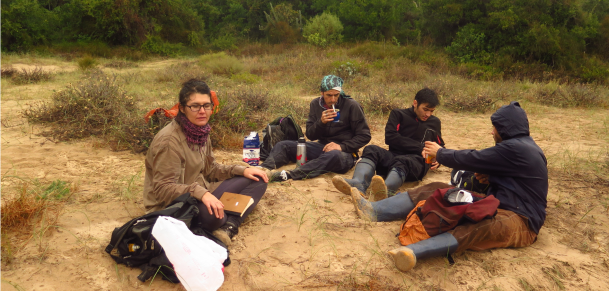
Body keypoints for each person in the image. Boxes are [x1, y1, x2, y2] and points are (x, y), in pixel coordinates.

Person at [348, 101, 547, 272]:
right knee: (436, 187)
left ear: (505, 128)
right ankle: (373, 210)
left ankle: (412, 253)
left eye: (495, 127)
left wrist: (440, 153)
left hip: (521, 220)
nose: (492, 131)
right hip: (495, 203)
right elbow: (508, 181)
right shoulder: (518, 148)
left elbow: (472, 158)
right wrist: (486, 179)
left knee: (478, 226)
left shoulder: (518, 148)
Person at [143, 79, 269, 246]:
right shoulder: (169, 141)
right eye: (195, 106)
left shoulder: (200, 131)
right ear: (182, 108)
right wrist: (201, 193)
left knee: (258, 178)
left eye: (206, 105)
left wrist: (241, 170)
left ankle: (229, 226)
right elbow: (162, 189)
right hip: (173, 207)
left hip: (200, 193)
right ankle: (229, 220)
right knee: (215, 217)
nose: (202, 111)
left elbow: (210, 170)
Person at [333, 88, 444, 200]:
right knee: (371, 149)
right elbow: (390, 138)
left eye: (432, 111)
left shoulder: (435, 122)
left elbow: (440, 146)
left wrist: (439, 157)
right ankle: (358, 183)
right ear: (415, 103)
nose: (428, 114)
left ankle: (386, 190)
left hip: (416, 163)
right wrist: (419, 147)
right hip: (393, 157)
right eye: (425, 109)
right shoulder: (398, 114)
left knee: (403, 161)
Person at [260, 75, 371, 181]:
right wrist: (321, 123)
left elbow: (364, 135)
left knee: (334, 155)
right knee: (283, 145)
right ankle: (264, 169)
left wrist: (341, 146)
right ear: (322, 92)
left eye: (336, 95)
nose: (333, 99)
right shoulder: (315, 104)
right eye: (329, 95)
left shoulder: (351, 105)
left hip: (344, 153)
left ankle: (288, 175)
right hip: (321, 148)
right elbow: (310, 135)